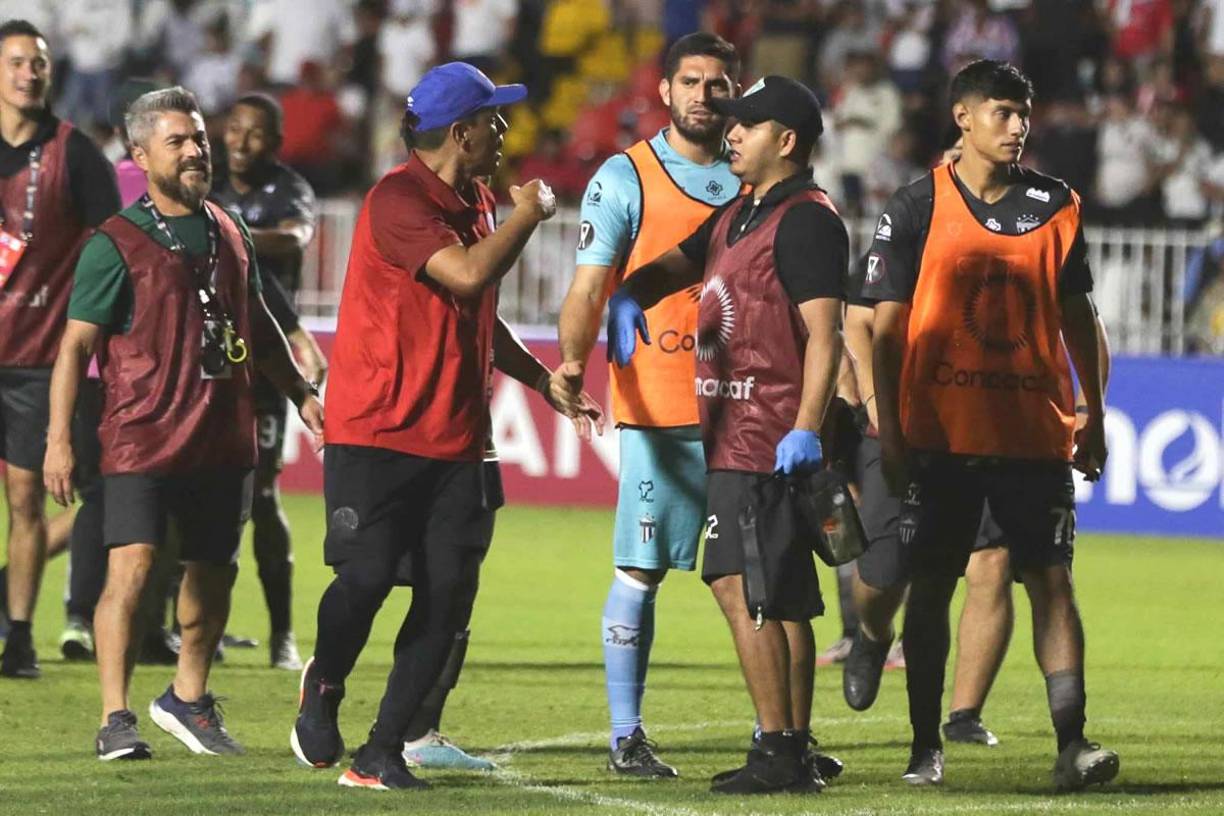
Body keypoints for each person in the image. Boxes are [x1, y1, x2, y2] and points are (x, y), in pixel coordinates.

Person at [290, 62, 601, 792]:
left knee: (448, 593)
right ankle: (325, 679)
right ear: (461, 133)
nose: (505, 129)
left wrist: (542, 382)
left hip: (458, 438)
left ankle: (381, 752)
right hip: (378, 428)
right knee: (366, 579)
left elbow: (478, 310)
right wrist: (529, 214)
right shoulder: (396, 199)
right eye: (494, 119)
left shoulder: (479, 200)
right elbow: (465, 275)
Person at [42, 86, 324, 761]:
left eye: (198, 137)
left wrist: (301, 392)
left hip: (222, 436)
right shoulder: (114, 244)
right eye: (178, 141)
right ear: (141, 155)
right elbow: (75, 348)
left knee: (213, 577)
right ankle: (115, 717)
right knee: (133, 569)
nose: (197, 150)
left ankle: (187, 699)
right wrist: (57, 441)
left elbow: (258, 325)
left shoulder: (231, 229)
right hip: (141, 436)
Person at [864, 59, 1118, 789]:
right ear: (964, 118)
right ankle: (925, 748)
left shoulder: (1056, 204)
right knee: (932, 588)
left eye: (1023, 114)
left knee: (1052, 582)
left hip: (1034, 435)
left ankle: (1072, 743)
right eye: (1002, 113)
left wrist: (1093, 413)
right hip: (942, 436)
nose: (1017, 127)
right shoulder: (915, 206)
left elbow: (1078, 316)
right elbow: (886, 332)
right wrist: (891, 435)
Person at [605, 75, 847, 795]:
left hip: (764, 436)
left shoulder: (805, 220)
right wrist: (629, 294)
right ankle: (792, 746)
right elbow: (675, 264)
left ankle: (777, 748)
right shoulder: (740, 212)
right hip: (736, 433)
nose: (731, 133)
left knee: (743, 586)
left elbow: (826, 334)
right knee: (778, 594)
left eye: (748, 124)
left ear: (787, 140)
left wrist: (806, 428)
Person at [553, 31, 742, 778]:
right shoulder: (626, 176)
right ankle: (626, 736)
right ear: (664, 91)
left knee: (759, 575)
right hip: (661, 407)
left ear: (734, 92)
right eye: (689, 81)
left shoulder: (755, 172)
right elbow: (588, 287)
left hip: (748, 407)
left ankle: (781, 735)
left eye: (716, 83)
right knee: (641, 570)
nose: (702, 95)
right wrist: (572, 361)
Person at [0, 19, 121, 679]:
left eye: (38, 62)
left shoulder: (74, 154)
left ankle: (18, 636)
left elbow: (117, 245)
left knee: (27, 499)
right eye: (17, 61)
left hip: (35, 360)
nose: (29, 73)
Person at [213, 92, 327, 670]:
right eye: (234, 128)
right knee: (202, 495)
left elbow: (293, 237)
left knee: (261, 494)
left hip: (266, 361)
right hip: (208, 360)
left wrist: (222, 233)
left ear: (275, 142)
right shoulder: (209, 182)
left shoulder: (289, 189)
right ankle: (194, 627)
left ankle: (283, 633)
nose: (240, 141)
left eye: (255, 132)